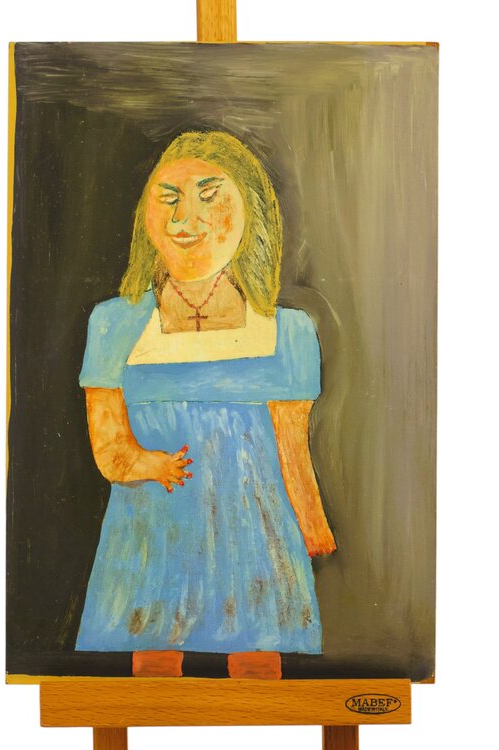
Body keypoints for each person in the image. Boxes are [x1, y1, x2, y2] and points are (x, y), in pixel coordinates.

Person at [75, 130, 336, 679]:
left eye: (210, 196)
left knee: (259, 672)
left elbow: (292, 450)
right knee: (152, 675)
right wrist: (148, 465)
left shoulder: (289, 334)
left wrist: (311, 525)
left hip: (256, 545)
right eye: (168, 198)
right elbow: (109, 448)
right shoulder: (113, 324)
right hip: (151, 540)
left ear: (251, 214)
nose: (184, 220)